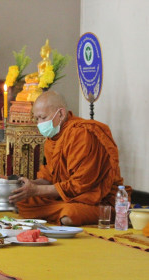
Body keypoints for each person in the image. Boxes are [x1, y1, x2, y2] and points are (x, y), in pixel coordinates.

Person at [9, 90, 132, 226]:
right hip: (66, 197)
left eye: (43, 117)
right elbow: (49, 177)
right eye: (37, 118)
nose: (39, 124)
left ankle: (108, 215)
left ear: (61, 114)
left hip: (96, 200)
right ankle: (54, 212)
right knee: (22, 201)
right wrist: (24, 186)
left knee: (69, 214)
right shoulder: (53, 138)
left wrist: (36, 190)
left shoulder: (81, 134)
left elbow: (81, 185)